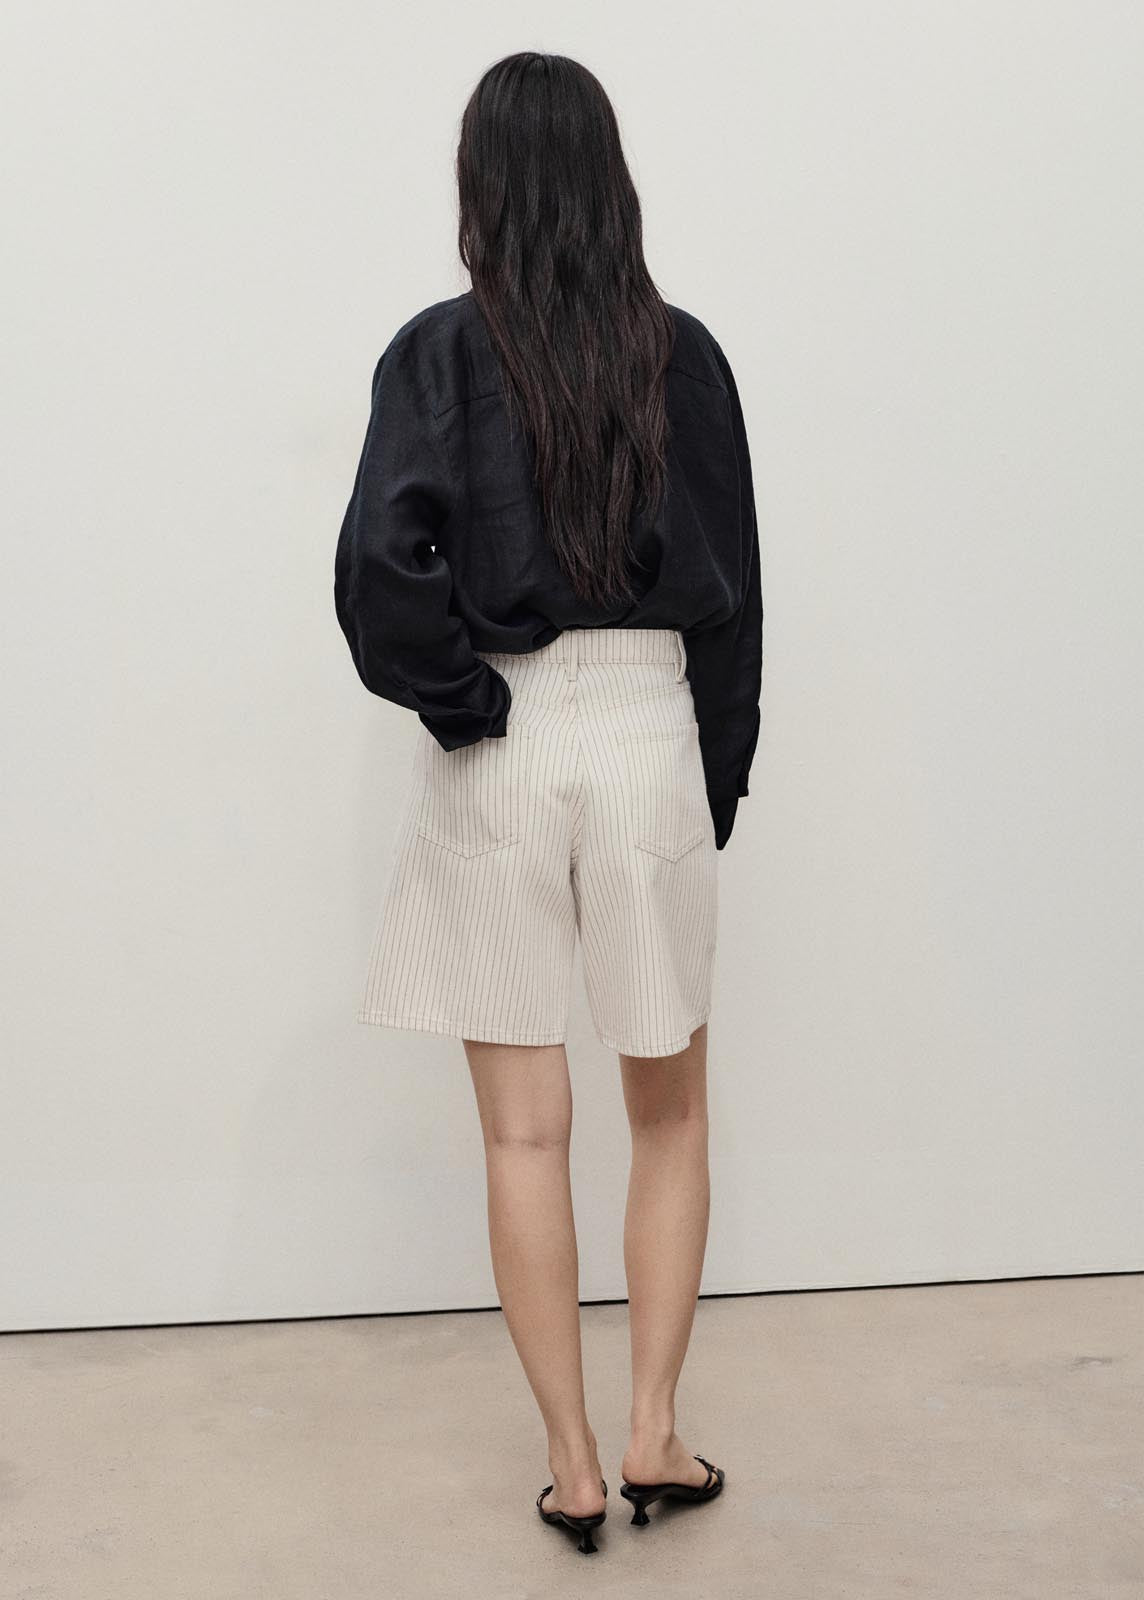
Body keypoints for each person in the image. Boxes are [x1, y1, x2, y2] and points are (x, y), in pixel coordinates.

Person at [334, 51, 760, 1555]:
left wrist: (466, 703)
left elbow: (383, 571)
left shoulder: (437, 355)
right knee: (672, 1107)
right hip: (647, 724)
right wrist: (711, 774)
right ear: (609, 181)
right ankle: (656, 1434)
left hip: (500, 746)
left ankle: (574, 1467)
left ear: (482, 186)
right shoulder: (685, 356)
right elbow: (735, 599)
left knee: (525, 1137)